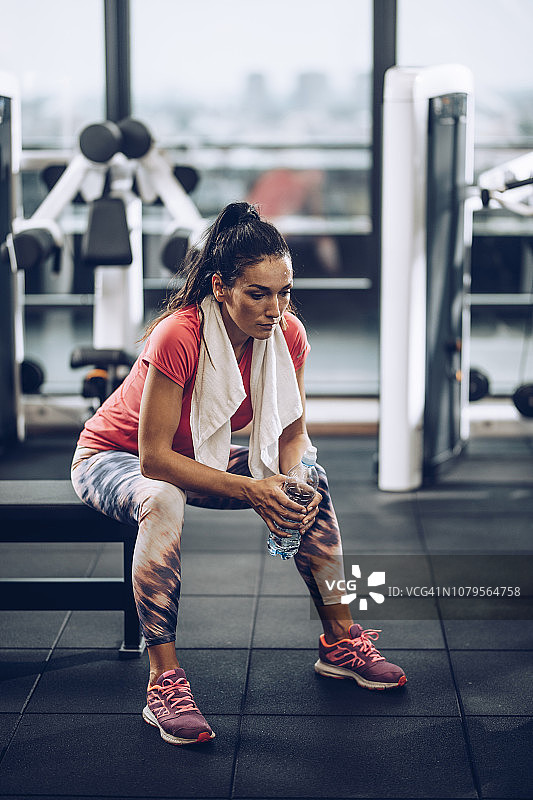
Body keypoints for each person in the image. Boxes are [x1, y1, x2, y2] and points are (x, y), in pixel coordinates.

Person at [71, 202, 406, 747]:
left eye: (284, 292)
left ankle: (341, 642)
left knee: (311, 481)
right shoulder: (178, 336)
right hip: (114, 458)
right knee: (162, 499)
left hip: (204, 454)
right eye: (259, 293)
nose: (275, 308)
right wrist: (254, 489)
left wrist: (291, 484)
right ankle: (163, 681)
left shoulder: (289, 336)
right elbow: (154, 458)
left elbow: (292, 435)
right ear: (221, 287)